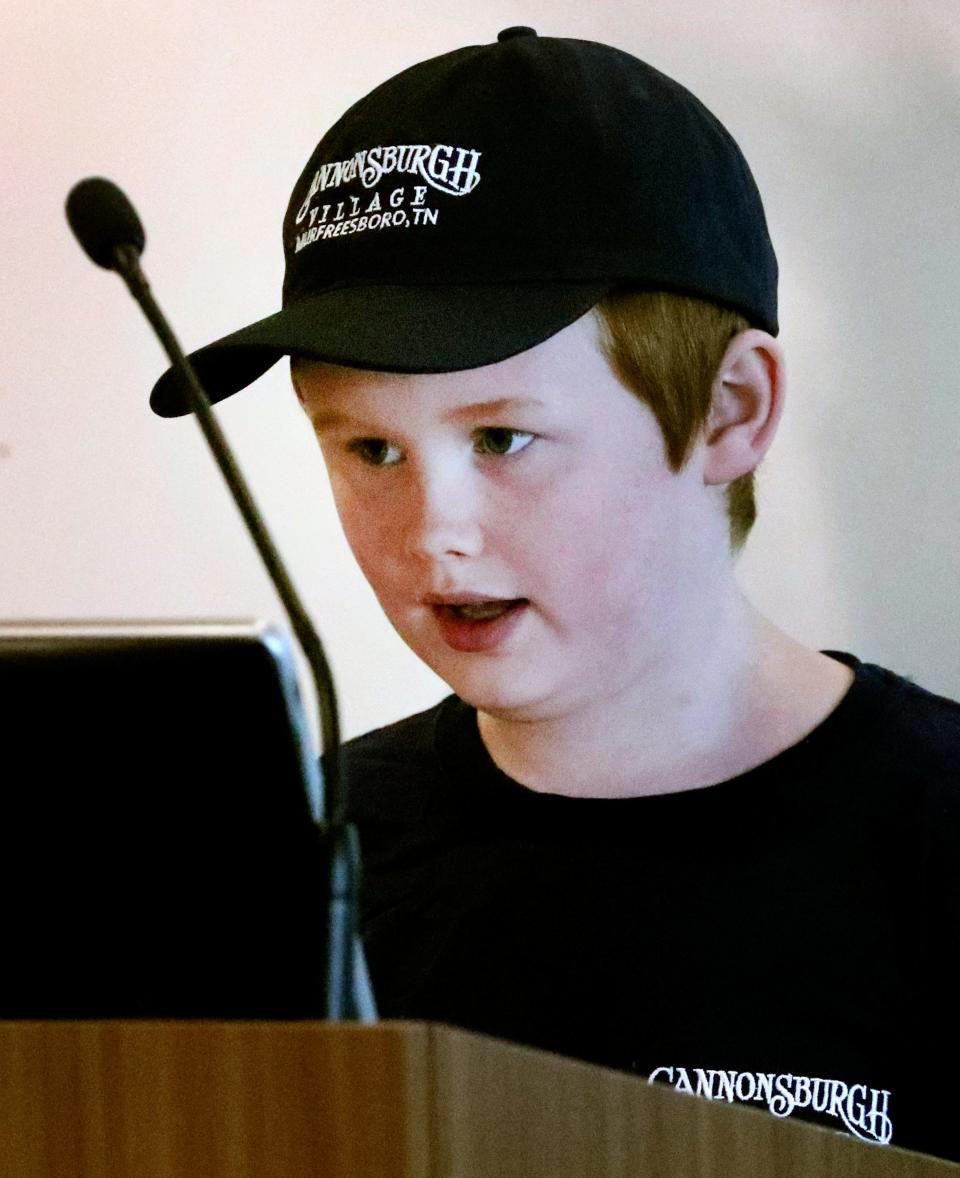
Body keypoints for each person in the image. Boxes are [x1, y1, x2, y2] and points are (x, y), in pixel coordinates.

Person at [151, 28, 960, 1161]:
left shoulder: (931, 837)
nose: (436, 531)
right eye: (371, 450)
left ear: (730, 409)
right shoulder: (302, 868)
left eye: (504, 436)